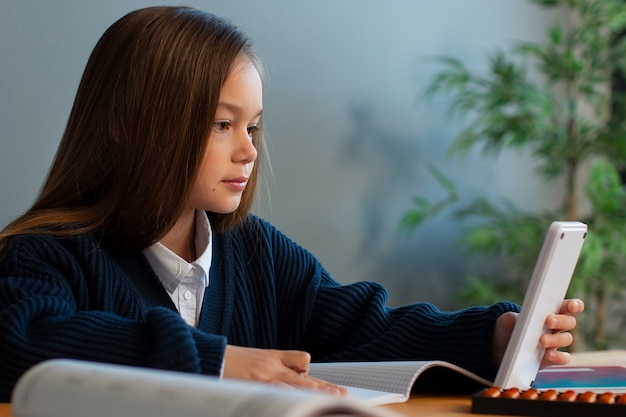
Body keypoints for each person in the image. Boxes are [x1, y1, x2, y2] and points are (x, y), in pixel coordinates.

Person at [0, 6, 583, 402]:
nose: (247, 150)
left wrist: (492, 336)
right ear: (128, 127)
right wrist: (217, 361)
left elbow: (364, 332)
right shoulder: (42, 257)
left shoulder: (257, 253)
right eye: (222, 124)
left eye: (253, 126)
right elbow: (25, 344)